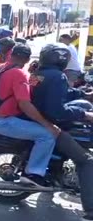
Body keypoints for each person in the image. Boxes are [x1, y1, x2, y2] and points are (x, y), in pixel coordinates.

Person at [0, 44, 60, 186]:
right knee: (47, 135)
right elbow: (25, 104)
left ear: (12, 54)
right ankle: (32, 174)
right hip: (3, 121)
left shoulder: (3, 67)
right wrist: (48, 125)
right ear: (28, 58)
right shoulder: (18, 73)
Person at [29, 43, 93, 220]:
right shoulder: (58, 76)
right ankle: (91, 210)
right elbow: (56, 110)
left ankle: (56, 170)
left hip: (39, 118)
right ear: (62, 60)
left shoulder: (38, 73)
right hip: (50, 124)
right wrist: (85, 115)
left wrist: (82, 95)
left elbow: (57, 94)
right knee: (87, 161)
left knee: (84, 105)